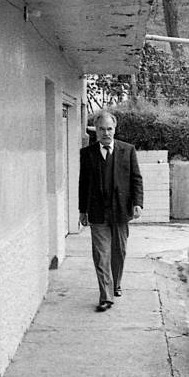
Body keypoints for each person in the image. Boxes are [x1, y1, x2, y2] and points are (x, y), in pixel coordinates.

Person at [78, 111, 143, 312]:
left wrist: (137, 203)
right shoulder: (87, 154)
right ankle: (105, 296)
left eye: (109, 129)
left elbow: (136, 178)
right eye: (101, 129)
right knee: (101, 254)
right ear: (95, 130)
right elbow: (83, 183)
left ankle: (116, 283)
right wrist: (82, 210)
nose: (106, 133)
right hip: (98, 212)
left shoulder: (127, 150)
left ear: (114, 129)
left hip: (121, 211)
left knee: (119, 251)